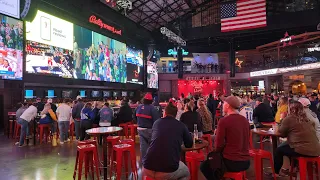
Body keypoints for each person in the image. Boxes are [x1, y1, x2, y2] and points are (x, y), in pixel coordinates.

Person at [200, 96, 250, 180]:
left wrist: (214, 151)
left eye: (223, 104)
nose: (222, 106)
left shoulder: (224, 121)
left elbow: (218, 145)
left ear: (227, 105)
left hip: (232, 161)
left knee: (204, 166)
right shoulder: (245, 120)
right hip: (246, 161)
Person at [142, 103, 193, 180]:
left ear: (164, 112)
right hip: (168, 170)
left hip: (147, 168)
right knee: (186, 172)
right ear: (176, 115)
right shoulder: (181, 125)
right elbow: (189, 144)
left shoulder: (156, 123)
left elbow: (152, 140)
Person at [273, 101, 320, 177]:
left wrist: (282, 119)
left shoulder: (289, 118)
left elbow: (281, 133)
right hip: (317, 149)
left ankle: (276, 173)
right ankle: (294, 168)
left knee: (279, 150)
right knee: (288, 147)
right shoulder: (307, 119)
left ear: (291, 109)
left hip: (303, 150)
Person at [133, 93, 160, 161]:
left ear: (144, 99)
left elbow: (134, 117)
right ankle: (153, 160)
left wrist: (139, 123)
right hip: (150, 130)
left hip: (140, 129)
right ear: (151, 100)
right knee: (153, 146)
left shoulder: (138, 107)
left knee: (143, 146)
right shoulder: (152, 108)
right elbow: (156, 121)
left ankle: (145, 161)